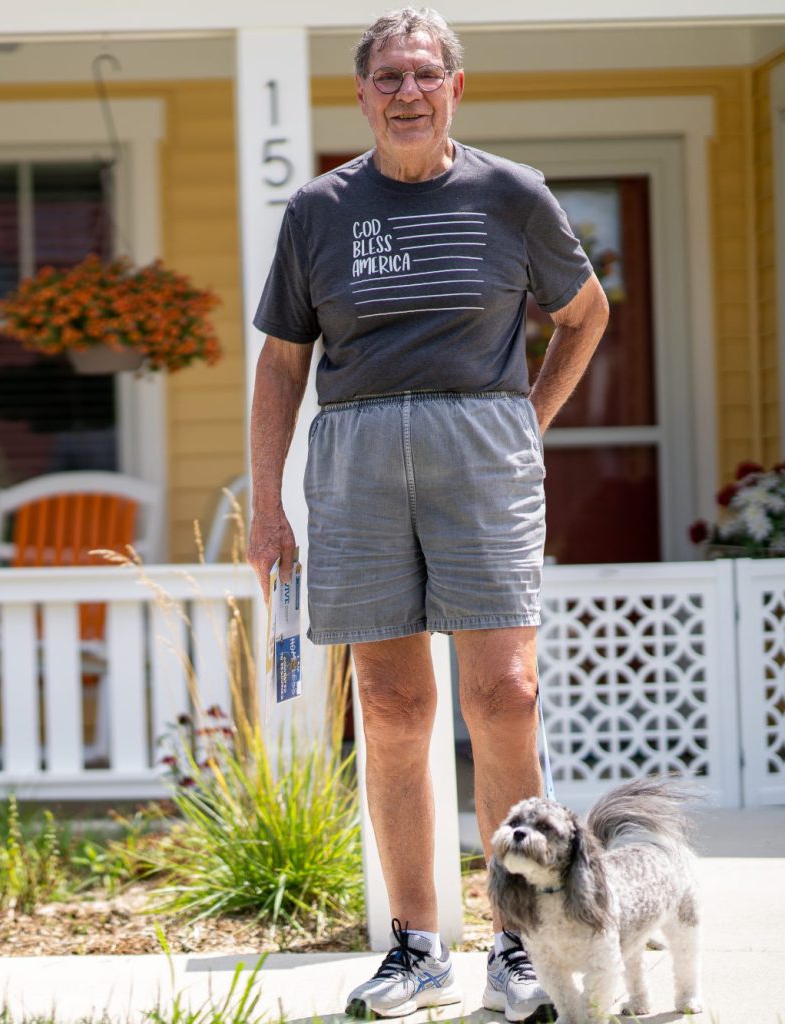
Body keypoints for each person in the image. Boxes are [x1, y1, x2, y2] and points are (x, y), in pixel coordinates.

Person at [247, 6, 609, 1022]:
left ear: (456, 87)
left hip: (479, 455)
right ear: (361, 95)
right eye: (387, 77)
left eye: (424, 75)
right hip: (355, 456)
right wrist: (267, 505)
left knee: (504, 692)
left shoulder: (509, 194)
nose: (406, 91)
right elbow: (282, 363)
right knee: (393, 706)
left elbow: (584, 315)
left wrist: (526, 420)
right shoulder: (317, 211)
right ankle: (414, 946)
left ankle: (518, 939)